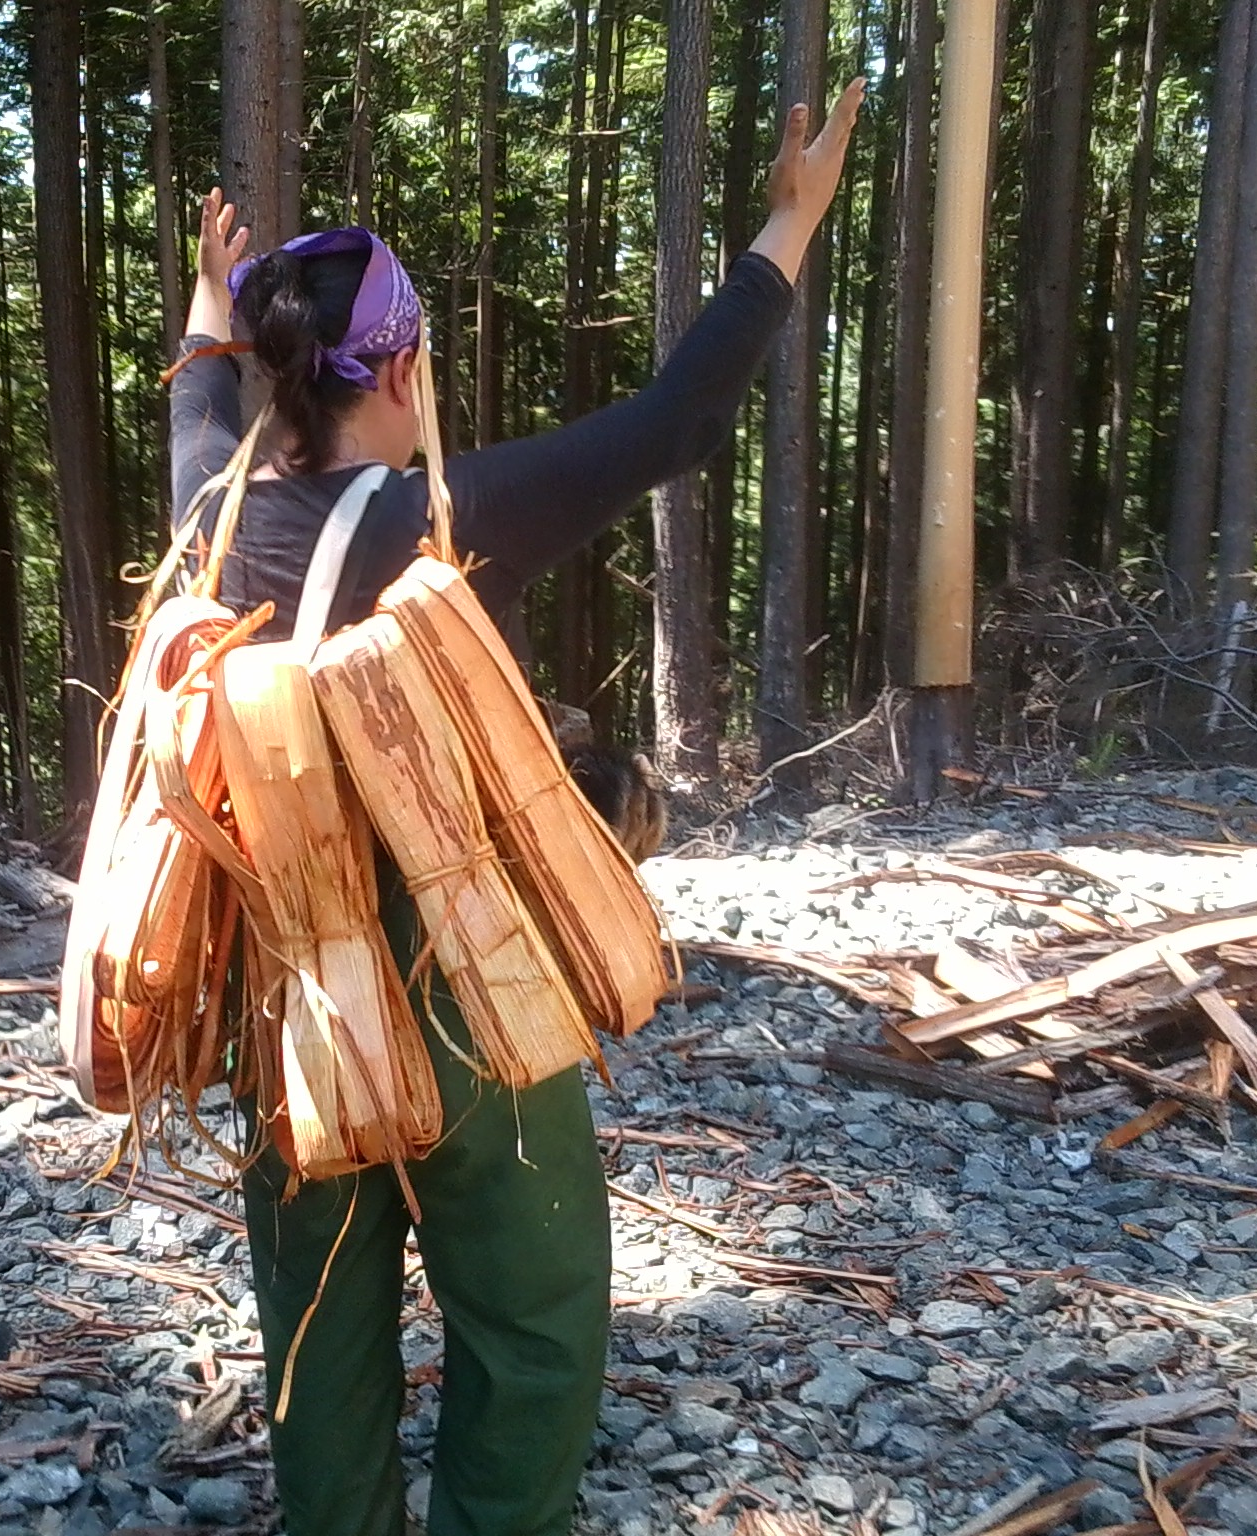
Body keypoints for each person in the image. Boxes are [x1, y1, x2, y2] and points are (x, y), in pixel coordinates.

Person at [165, 79, 865, 1536]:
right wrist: (788, 223)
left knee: (316, 1323)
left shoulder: (205, 521)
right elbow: (677, 421)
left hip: (278, 981)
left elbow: (196, 403)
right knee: (533, 1317)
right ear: (402, 364)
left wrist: (206, 323)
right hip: (454, 970)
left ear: (269, 378)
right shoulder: (439, 522)